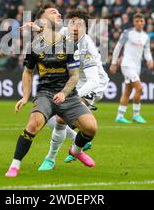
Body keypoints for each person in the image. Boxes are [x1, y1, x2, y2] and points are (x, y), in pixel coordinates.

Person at [5, 4, 98, 178]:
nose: (58, 13)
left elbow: (74, 76)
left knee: (91, 128)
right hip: (45, 94)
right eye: (52, 12)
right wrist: (25, 97)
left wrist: (64, 93)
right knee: (33, 124)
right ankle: (14, 165)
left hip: (68, 95)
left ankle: (76, 151)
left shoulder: (69, 43)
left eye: (58, 11)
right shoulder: (34, 46)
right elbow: (28, 72)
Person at [38, 10, 109, 171]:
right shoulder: (63, 32)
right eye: (72, 24)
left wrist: (68, 95)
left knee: (60, 119)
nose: (74, 28)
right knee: (50, 118)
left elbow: (93, 81)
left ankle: (50, 158)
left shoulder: (88, 48)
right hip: (73, 81)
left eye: (79, 25)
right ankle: (79, 143)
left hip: (93, 85)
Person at [110, 13, 154, 124]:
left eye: (141, 21)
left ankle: (119, 116)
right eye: (137, 21)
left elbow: (147, 51)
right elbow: (118, 47)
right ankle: (136, 114)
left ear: (144, 22)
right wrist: (114, 63)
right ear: (134, 22)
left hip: (137, 67)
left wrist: (150, 60)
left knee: (128, 91)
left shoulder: (146, 37)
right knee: (139, 88)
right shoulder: (127, 33)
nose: (139, 23)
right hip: (127, 65)